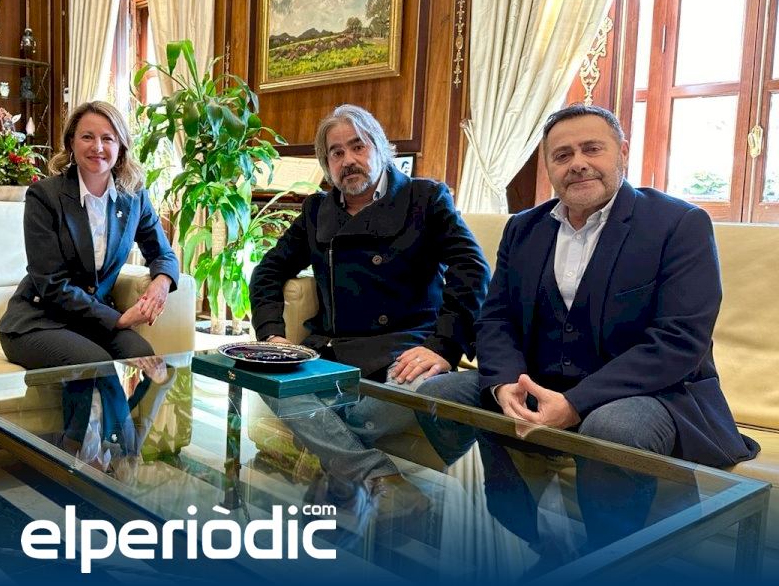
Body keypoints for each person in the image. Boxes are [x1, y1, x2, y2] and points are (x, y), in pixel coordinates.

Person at [417, 103, 760, 547]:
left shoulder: (680, 224)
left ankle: (613, 558)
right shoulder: (523, 228)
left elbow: (679, 340)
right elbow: (496, 318)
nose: (577, 163)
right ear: (549, 167)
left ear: (622, 152)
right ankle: (521, 534)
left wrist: (575, 403)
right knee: (439, 394)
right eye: (562, 155)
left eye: (592, 149)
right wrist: (504, 385)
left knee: (612, 429)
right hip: (539, 381)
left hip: (648, 394)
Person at [249, 104, 490, 523]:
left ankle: (338, 466)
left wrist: (443, 346)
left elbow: (472, 268)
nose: (348, 160)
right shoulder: (316, 211)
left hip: (404, 353)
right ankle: (380, 477)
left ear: (379, 147)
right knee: (269, 378)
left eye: (357, 146)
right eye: (336, 153)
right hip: (331, 354)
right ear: (327, 164)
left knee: (373, 408)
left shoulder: (425, 198)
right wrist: (273, 335)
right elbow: (268, 271)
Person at [0, 101, 180, 369]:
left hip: (93, 320)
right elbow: (51, 283)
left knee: (148, 362)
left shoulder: (134, 197)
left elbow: (162, 253)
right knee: (94, 366)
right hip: (39, 319)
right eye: (87, 137)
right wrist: (117, 319)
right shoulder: (44, 196)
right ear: (71, 143)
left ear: (121, 147)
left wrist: (161, 284)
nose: (97, 147)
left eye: (108, 138)